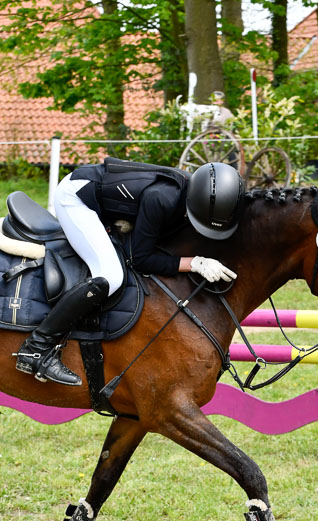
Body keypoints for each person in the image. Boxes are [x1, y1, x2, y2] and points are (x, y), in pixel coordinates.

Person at [15, 159, 244, 387]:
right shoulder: (162, 199)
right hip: (75, 198)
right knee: (111, 277)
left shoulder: (190, 191)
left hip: (101, 190)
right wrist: (194, 263)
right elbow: (140, 259)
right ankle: (36, 348)